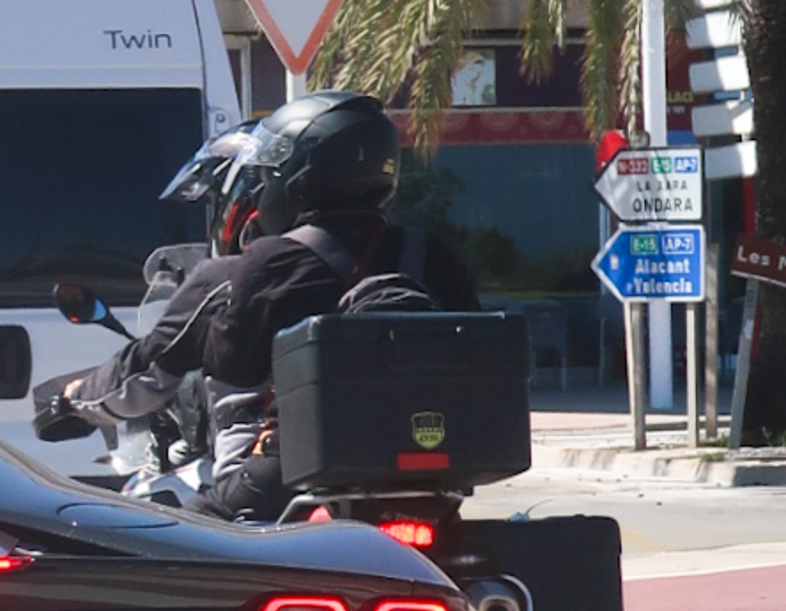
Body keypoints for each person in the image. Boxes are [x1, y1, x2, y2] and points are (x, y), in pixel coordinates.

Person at [199, 91, 479, 522]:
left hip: (293, 472)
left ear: (301, 176)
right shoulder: (434, 256)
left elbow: (230, 371)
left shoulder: (271, 260)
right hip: (433, 472)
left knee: (188, 529)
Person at [36, 127, 260, 449]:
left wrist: (76, 398)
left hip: (261, 472)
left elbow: (155, 359)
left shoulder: (232, 277)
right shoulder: (345, 268)